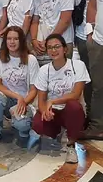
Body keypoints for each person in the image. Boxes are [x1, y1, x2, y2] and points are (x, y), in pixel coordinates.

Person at [32, 34, 91, 163]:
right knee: (37, 123)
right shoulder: (44, 70)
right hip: (54, 111)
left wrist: (52, 101)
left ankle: (71, 144)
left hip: (72, 111)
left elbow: (76, 94)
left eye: (57, 46)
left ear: (65, 49)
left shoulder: (78, 65)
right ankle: (58, 133)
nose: (53, 50)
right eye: (50, 48)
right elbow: (41, 101)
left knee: (73, 106)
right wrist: (44, 112)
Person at [0, 27, 40, 149]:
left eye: (16, 39)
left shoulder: (31, 60)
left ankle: (24, 129)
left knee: (22, 126)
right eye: (9, 39)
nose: (12, 42)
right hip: (8, 97)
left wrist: (22, 102)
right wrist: (17, 97)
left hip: (26, 101)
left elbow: (33, 90)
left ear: (21, 41)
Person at [30, 0, 74, 65]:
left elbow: (65, 20)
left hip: (62, 41)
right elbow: (35, 20)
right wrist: (34, 40)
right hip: (42, 43)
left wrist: (49, 41)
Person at [85, 0, 103, 139]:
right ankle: (97, 126)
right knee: (98, 87)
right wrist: (89, 32)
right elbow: (92, 4)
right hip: (99, 40)